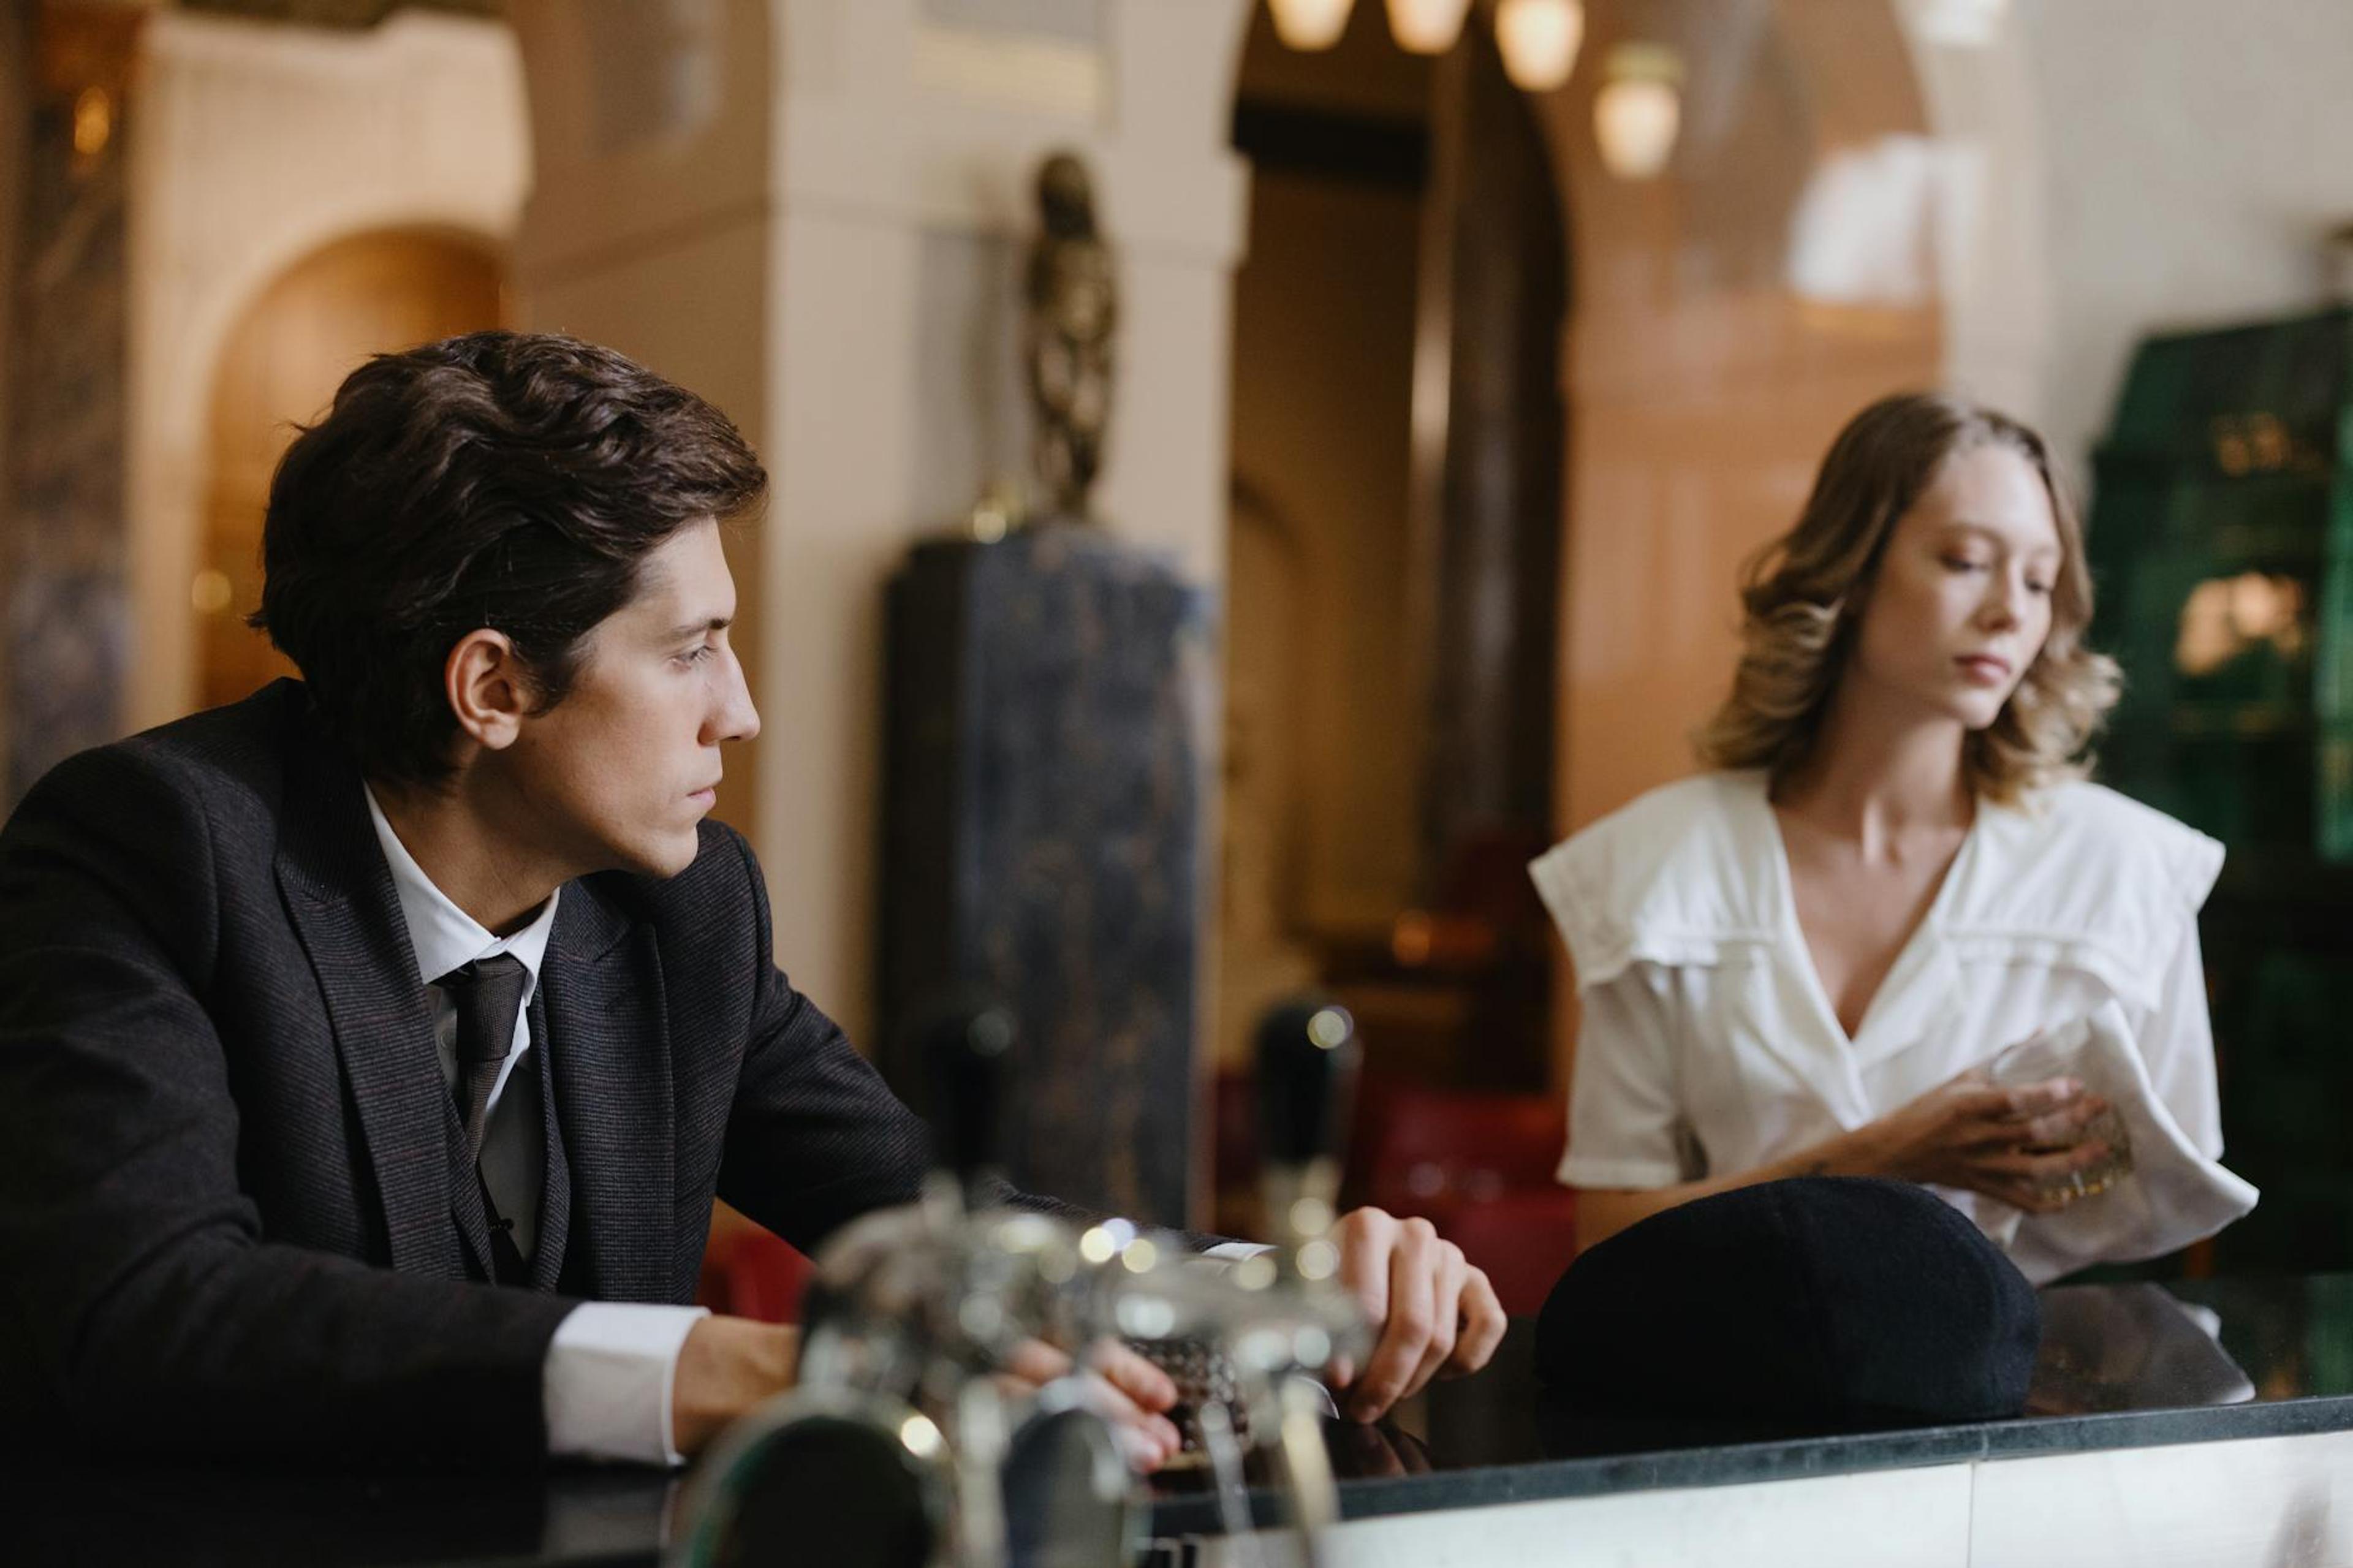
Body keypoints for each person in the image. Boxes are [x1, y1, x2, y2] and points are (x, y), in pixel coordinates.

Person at [0, 331, 1503, 1471]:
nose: (746, 710)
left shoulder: (684, 912)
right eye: (691, 649)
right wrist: (742, 1370)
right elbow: (149, 1309)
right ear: (493, 685)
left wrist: (1273, 1296)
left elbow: (936, 1226)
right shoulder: (151, 850)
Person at [1531, 392, 2232, 1280]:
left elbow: (2168, 1230)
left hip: (2037, 1393)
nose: (2010, 613)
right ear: (1854, 571)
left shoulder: (2128, 871)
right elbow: (1607, 1242)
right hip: (1726, 1391)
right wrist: (1881, 1156)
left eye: (2038, 580)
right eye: (1967, 561)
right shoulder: (1656, 867)